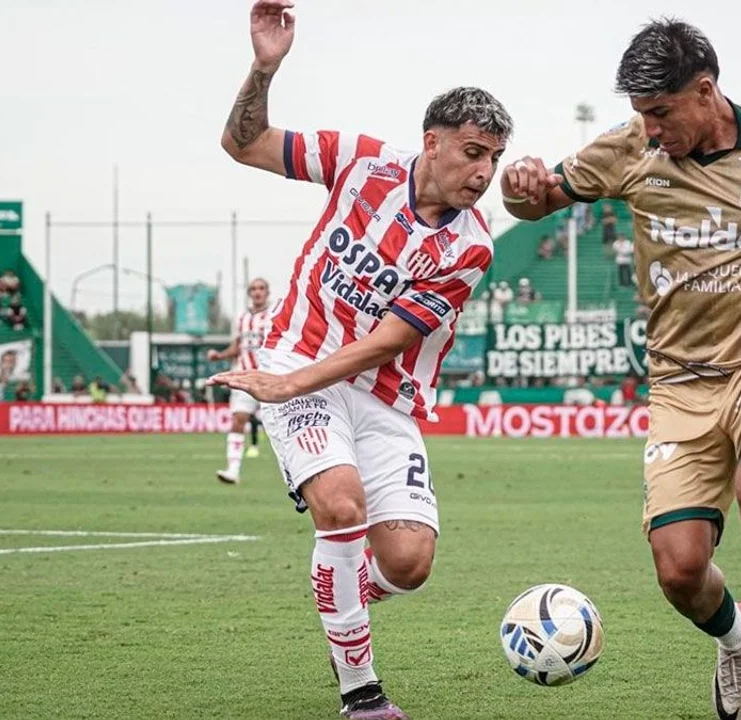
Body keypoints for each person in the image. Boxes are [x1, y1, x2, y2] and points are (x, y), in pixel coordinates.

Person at [499, 19, 741, 720]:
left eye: (660, 112)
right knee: (680, 571)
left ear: (705, 91)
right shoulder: (629, 148)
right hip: (680, 384)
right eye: (641, 114)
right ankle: (736, 634)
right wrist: (518, 185)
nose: (651, 128)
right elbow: (533, 204)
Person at [208, 3, 511, 718]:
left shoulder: (471, 247)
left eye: (494, 159)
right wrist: (264, 68)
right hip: (301, 357)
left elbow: (388, 343)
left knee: (408, 564)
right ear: (431, 142)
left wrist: (288, 383)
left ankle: (340, 594)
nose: (484, 172)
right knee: (341, 507)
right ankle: (362, 694)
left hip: (380, 395)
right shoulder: (360, 160)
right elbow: (243, 144)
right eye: (473, 152)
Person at [207, 278, 273, 484]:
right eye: (253, 289)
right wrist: (219, 356)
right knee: (238, 419)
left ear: (267, 292)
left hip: (269, 377)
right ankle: (233, 470)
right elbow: (237, 347)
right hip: (244, 377)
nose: (257, 292)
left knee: (280, 425)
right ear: (249, 293)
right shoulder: (242, 318)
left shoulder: (274, 315)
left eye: (261, 288)